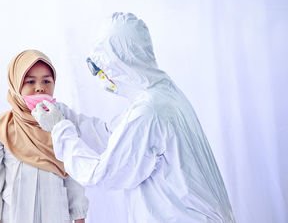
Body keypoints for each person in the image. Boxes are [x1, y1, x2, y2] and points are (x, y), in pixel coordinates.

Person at [32, 13, 235, 222]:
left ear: (118, 63)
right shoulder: (163, 93)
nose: (102, 77)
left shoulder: (148, 113)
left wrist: (60, 130)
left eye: (102, 68)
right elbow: (114, 136)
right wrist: (65, 115)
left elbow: (101, 174)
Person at [0, 50, 88, 223]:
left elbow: (74, 175)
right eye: (30, 81)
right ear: (16, 84)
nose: (40, 87)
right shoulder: (1, 128)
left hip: (57, 216)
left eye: (46, 80)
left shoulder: (62, 125)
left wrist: (79, 216)